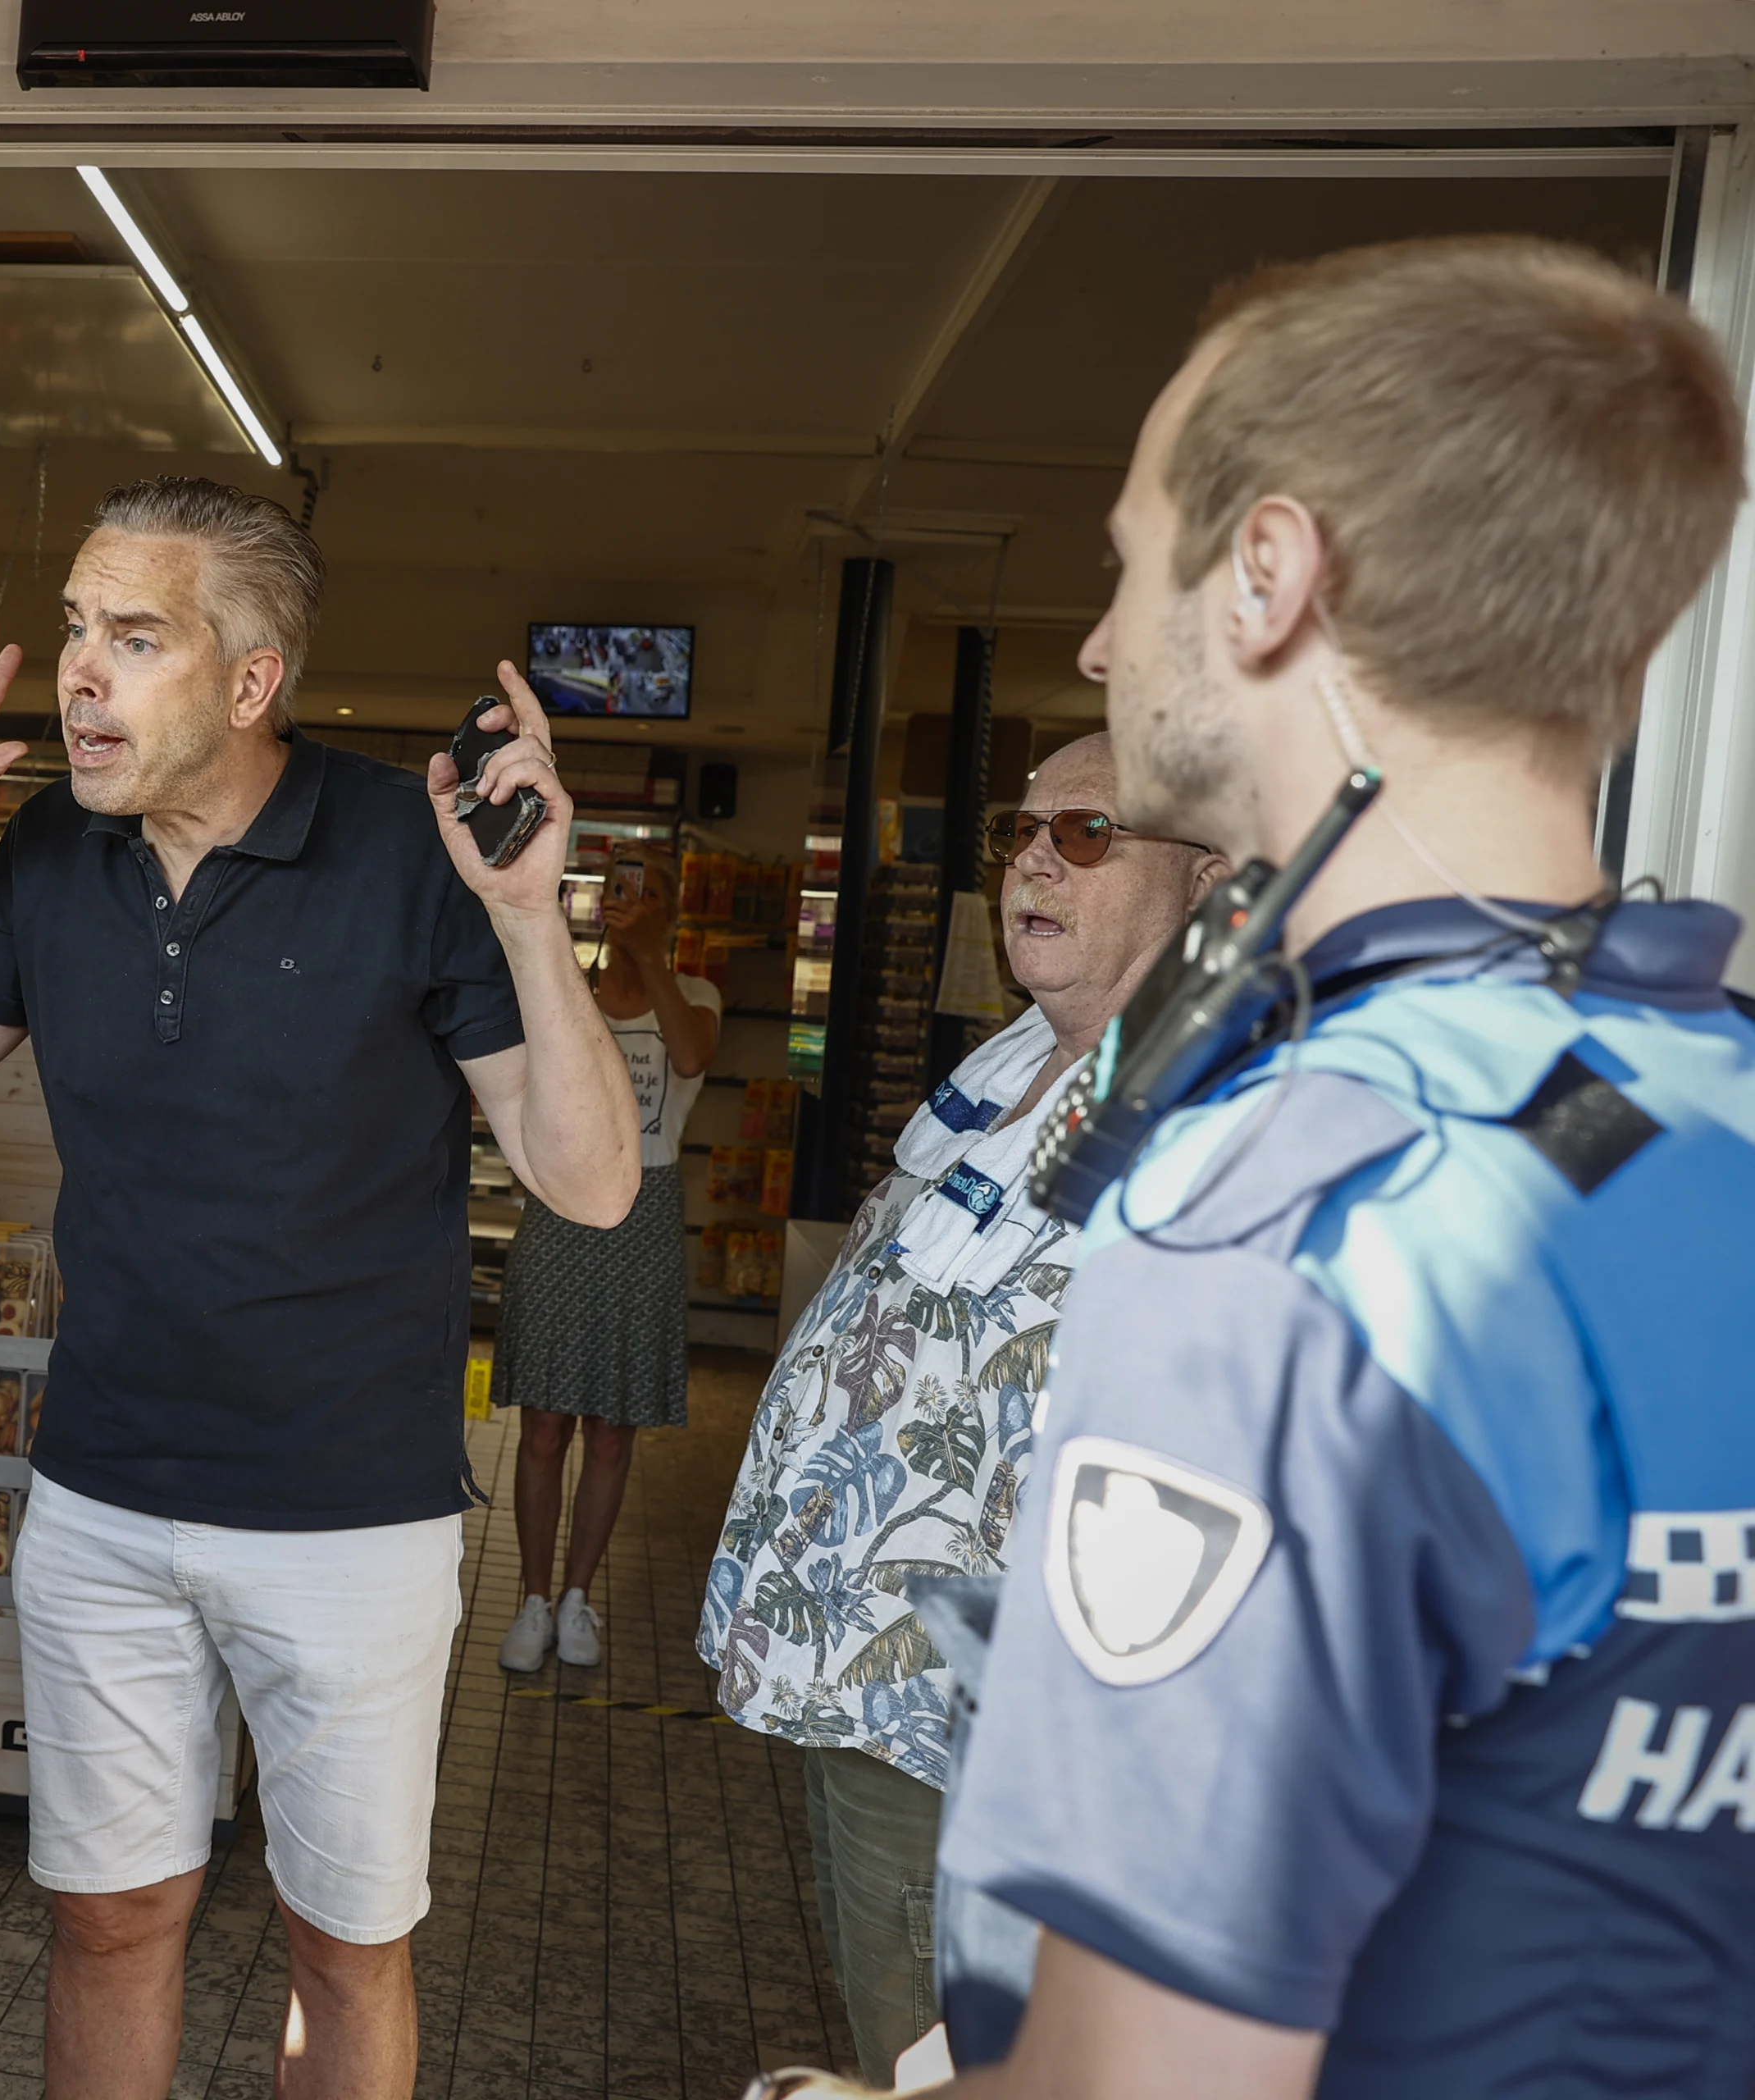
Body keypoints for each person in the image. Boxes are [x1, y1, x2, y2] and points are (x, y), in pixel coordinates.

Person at [750, 238, 1755, 2099]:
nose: (1095, 644)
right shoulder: (1705, 1103)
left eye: (1131, 565)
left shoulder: (1277, 1212)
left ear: (1271, 577)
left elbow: (1150, 2078)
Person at [0, 477, 640, 2100]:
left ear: (250, 679)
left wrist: (531, 917)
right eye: (76, 627)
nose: (79, 670)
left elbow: (591, 1178)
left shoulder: (411, 857)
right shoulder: (61, 848)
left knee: (345, 1948)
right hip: (104, 1499)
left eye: (134, 637)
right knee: (110, 1917)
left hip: (351, 1514)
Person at [700, 733, 1224, 2078]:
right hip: (868, 1680)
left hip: (1004, 1738)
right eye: (1021, 829)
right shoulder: (1013, 1064)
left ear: (1209, 876)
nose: (1035, 858)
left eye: (1089, 832)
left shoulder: (1214, 1111)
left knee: (968, 2057)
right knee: (899, 2035)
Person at [494, 869, 723, 1674]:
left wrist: (650, 957)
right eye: (617, 887)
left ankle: (577, 1596)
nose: (627, 898)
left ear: (669, 909)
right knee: (545, 1424)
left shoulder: (692, 991)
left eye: (646, 888)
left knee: (613, 1430)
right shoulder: (568, 990)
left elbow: (692, 1053)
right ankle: (530, 1594)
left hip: (648, 1206)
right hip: (560, 1206)